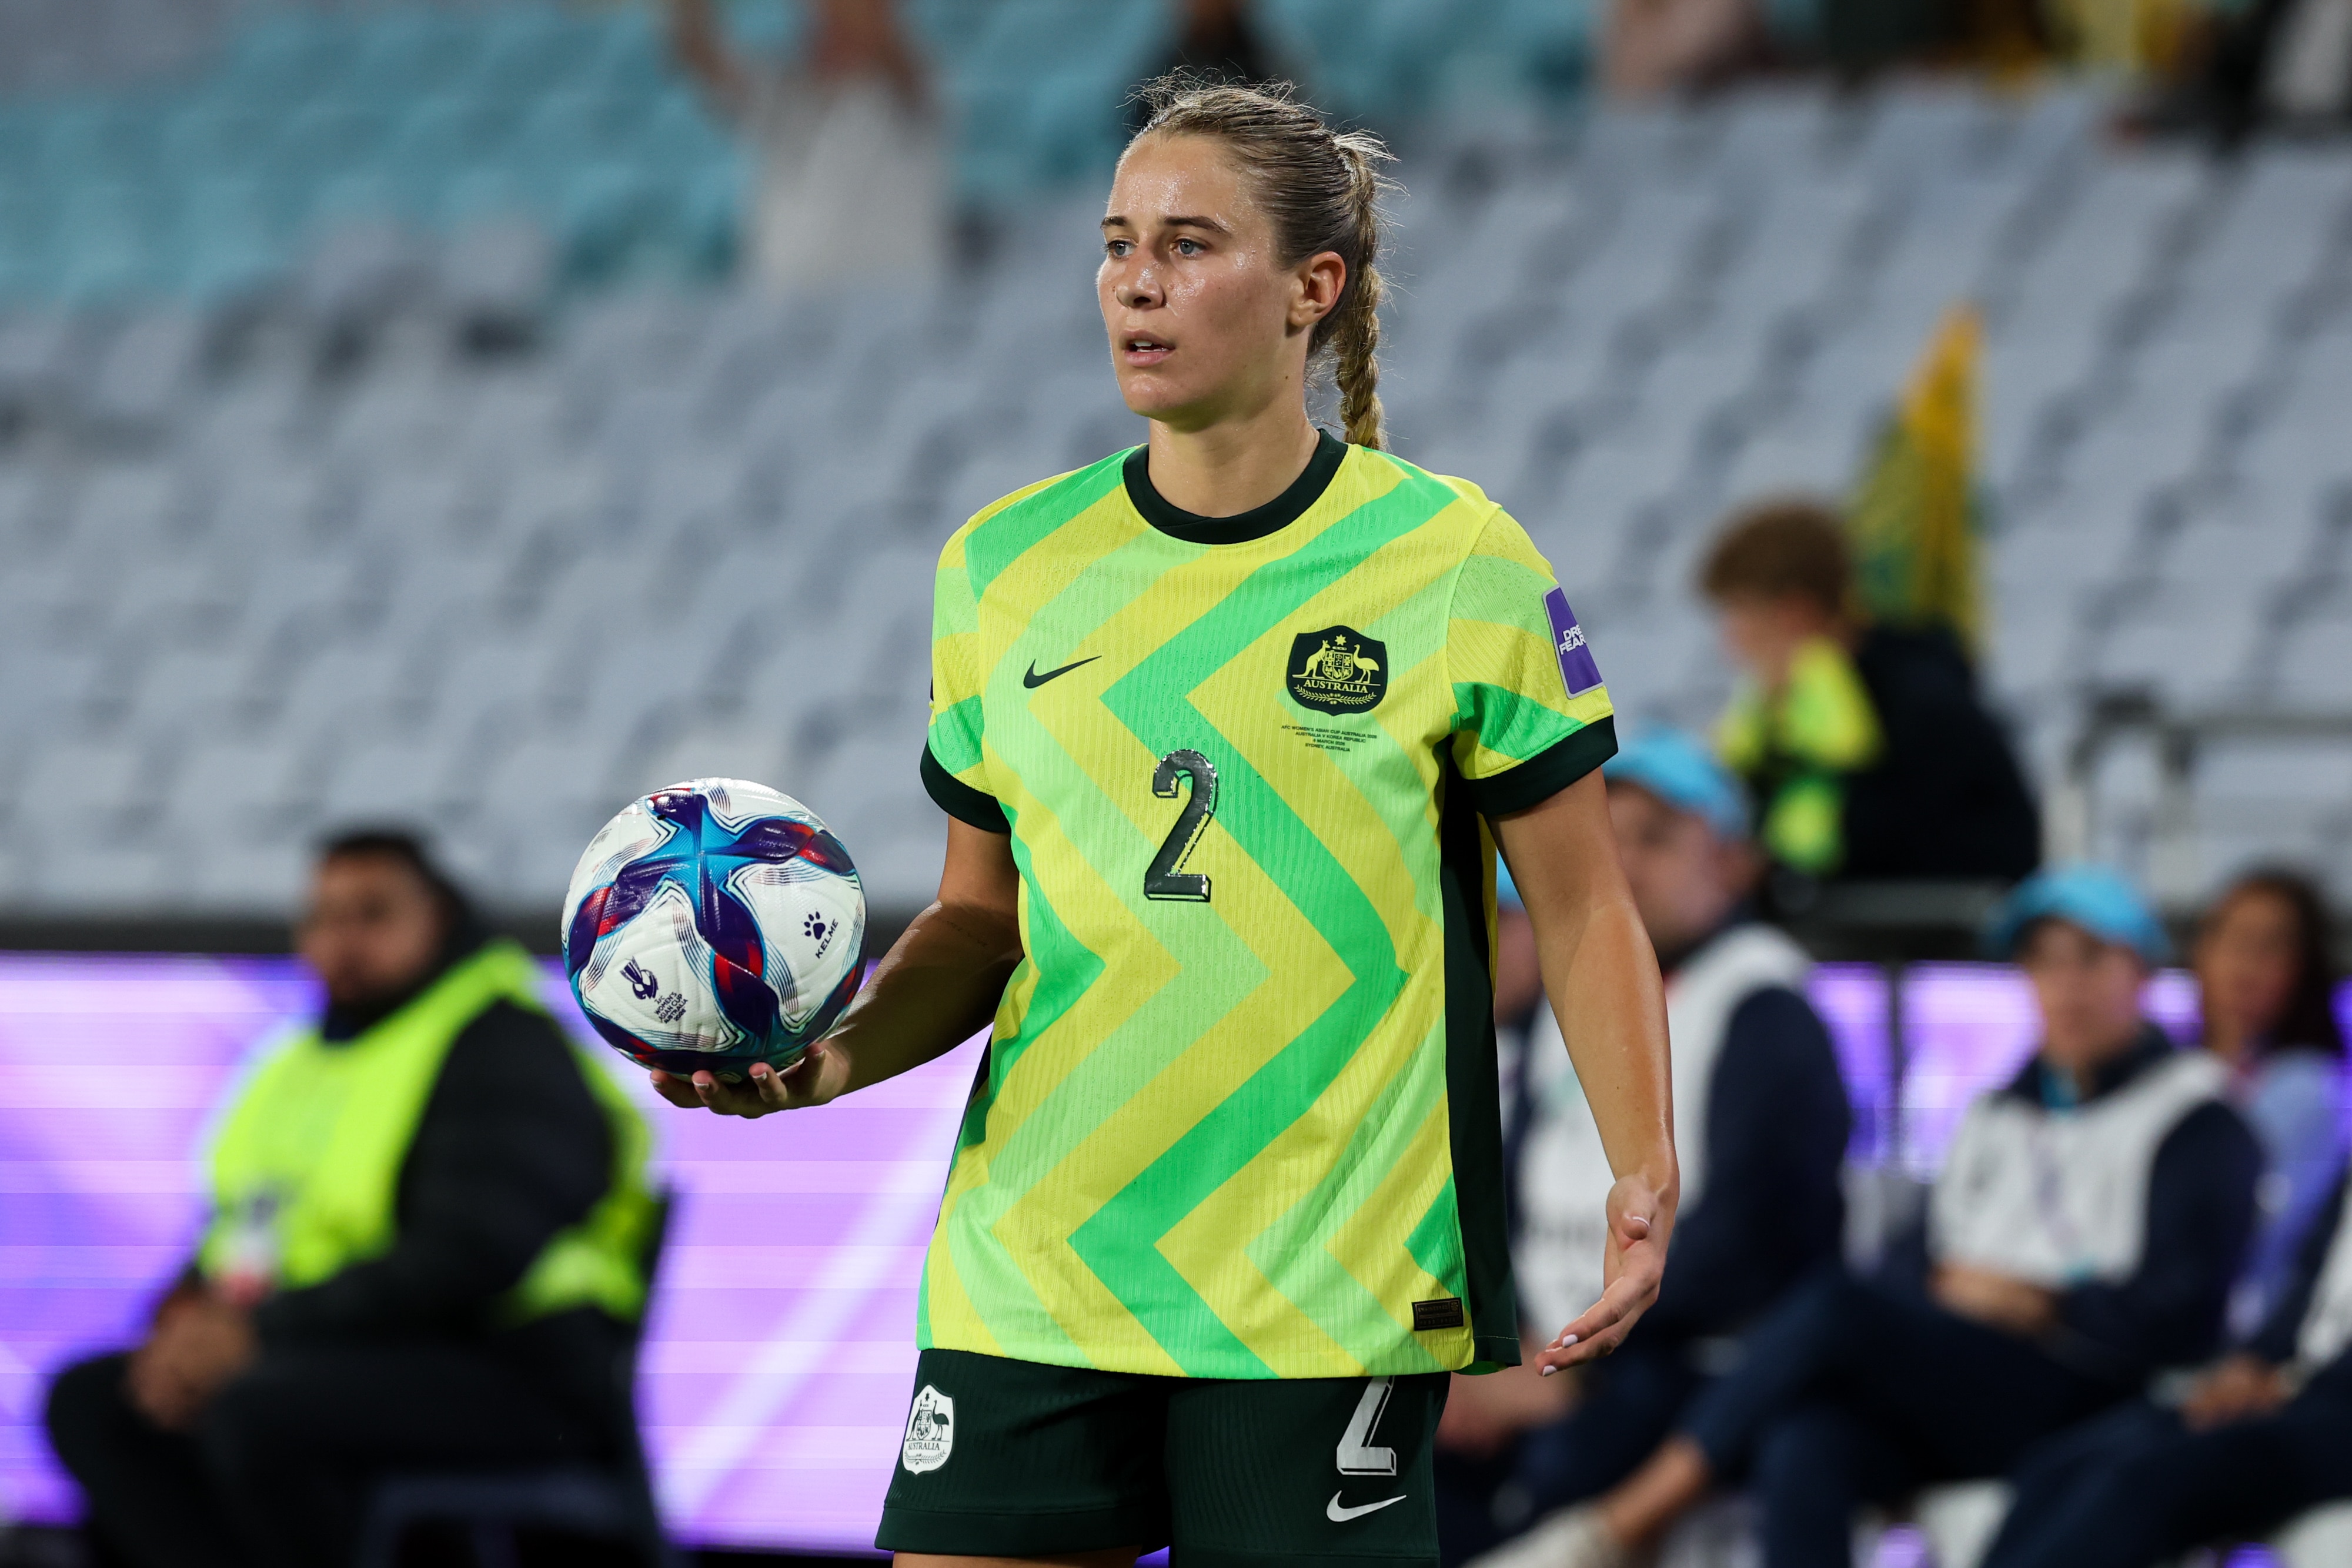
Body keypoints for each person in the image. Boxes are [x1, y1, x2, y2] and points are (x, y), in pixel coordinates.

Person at [652, 76, 1679, 1568]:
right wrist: (835, 1063)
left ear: (1309, 289)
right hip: (1038, 1259)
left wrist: (1638, 1162)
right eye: (1118, 242)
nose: (1136, 280)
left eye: (1190, 245)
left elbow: (1583, 908)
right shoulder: (1001, 567)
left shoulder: (1453, 563)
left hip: (1322, 1275)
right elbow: (979, 921)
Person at [1483, 864, 2260, 1568]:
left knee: (1837, 1308)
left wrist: (2037, 1300)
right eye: (2045, 959)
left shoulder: (2197, 1117)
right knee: (1809, 1438)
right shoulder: (1998, 1109)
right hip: (1975, 1377)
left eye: (2091, 957)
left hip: (2098, 1386)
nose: (2067, 984)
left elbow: (2183, 1315)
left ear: (2144, 970)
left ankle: (1618, 1524)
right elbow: (1914, 1257)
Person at [45, 831, 657, 1568]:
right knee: (100, 1400)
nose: (343, 940)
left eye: (372, 914)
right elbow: (247, 1229)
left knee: (259, 1413)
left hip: (513, 1363)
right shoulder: (299, 1064)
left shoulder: (503, 1047)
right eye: (325, 917)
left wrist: (257, 1335)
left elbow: (470, 1255)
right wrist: (185, 1322)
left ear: (439, 918)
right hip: (342, 1345)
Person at [1439, 732, 1849, 1565]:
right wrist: (1499, 1347)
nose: (1625, 859)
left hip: (1684, 1358)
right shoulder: (1575, 1003)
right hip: (1553, 1350)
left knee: (1548, 1485)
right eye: (1611, 836)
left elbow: (1756, 1233)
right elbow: (1507, 1197)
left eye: (1658, 838)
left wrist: (1567, 1368)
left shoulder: (1763, 1002)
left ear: (1734, 863)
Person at [1981, 1155, 2352, 1568]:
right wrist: (2252, 1362)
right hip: (2300, 1385)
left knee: (2141, 1479)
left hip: (2334, 1404)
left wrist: (2292, 1387)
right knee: (2058, 1466)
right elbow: (2308, 1282)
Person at [1700, 498, 2039, 894]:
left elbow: (1896, 844)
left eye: (1740, 614)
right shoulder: (1791, 713)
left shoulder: (1920, 702)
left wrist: (1770, 870)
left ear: (1795, 613)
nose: (1730, 643)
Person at [666, 0, 946, 296]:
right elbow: (697, 49)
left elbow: (879, 38)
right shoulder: (784, 96)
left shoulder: (911, 91)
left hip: (895, 309)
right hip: (784, 311)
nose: (826, 33)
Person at [2193, 868, 2347, 1330]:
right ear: (2201, 950)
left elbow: (2248, 1239)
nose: (2247, 964)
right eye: (2235, 938)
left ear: (2305, 968)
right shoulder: (2167, 1074)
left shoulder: (2309, 1090)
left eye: (2271, 946)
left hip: (2243, 1344)